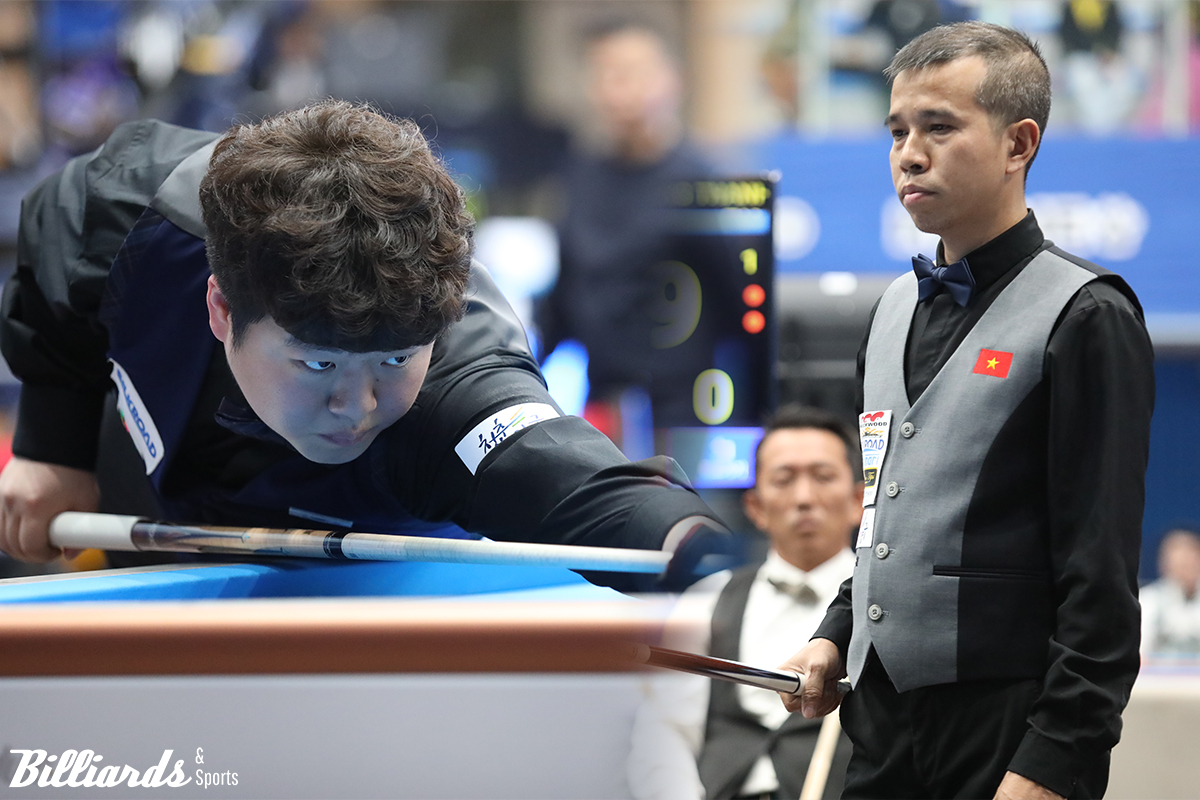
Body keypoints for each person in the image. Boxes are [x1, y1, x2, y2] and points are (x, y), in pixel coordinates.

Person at [0, 100, 734, 593]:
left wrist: (725, 577)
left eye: (392, 362)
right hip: (152, 498)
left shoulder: (459, 397)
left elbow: (589, 495)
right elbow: (60, 228)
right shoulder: (141, 209)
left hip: (360, 611)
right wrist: (50, 445)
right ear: (222, 308)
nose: (356, 407)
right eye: (318, 363)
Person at [778, 22, 1154, 800]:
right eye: (897, 131)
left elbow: (1102, 576)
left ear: (1019, 144)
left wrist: (1055, 761)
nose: (909, 153)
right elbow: (885, 524)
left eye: (939, 127)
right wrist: (834, 633)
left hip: (1011, 736)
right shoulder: (886, 313)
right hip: (879, 727)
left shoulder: (1088, 314)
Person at [628, 405, 859, 800]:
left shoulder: (886, 608)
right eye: (784, 479)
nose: (804, 497)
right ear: (755, 506)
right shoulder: (708, 598)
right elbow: (664, 732)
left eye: (823, 477)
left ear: (859, 501)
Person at [537, 19, 712, 437]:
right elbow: (564, 298)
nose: (618, 91)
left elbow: (740, 315)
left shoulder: (705, 185)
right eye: (604, 75)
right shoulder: (579, 177)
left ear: (672, 81)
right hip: (605, 406)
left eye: (631, 74)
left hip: (688, 413)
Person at [1140, 528, 1200, 658]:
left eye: (1191, 562)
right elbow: (1139, 654)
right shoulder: (1147, 601)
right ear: (1164, 565)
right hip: (1159, 676)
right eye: (1181, 565)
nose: (1186, 571)